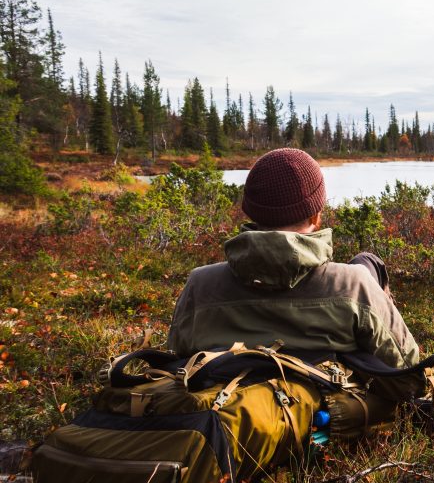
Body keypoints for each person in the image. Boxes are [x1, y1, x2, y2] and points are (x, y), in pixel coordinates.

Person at [166, 148, 420, 371]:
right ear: (315, 215)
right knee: (367, 262)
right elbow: (407, 364)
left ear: (251, 212)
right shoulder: (353, 284)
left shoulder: (200, 284)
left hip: (222, 415)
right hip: (330, 417)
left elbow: (177, 357)